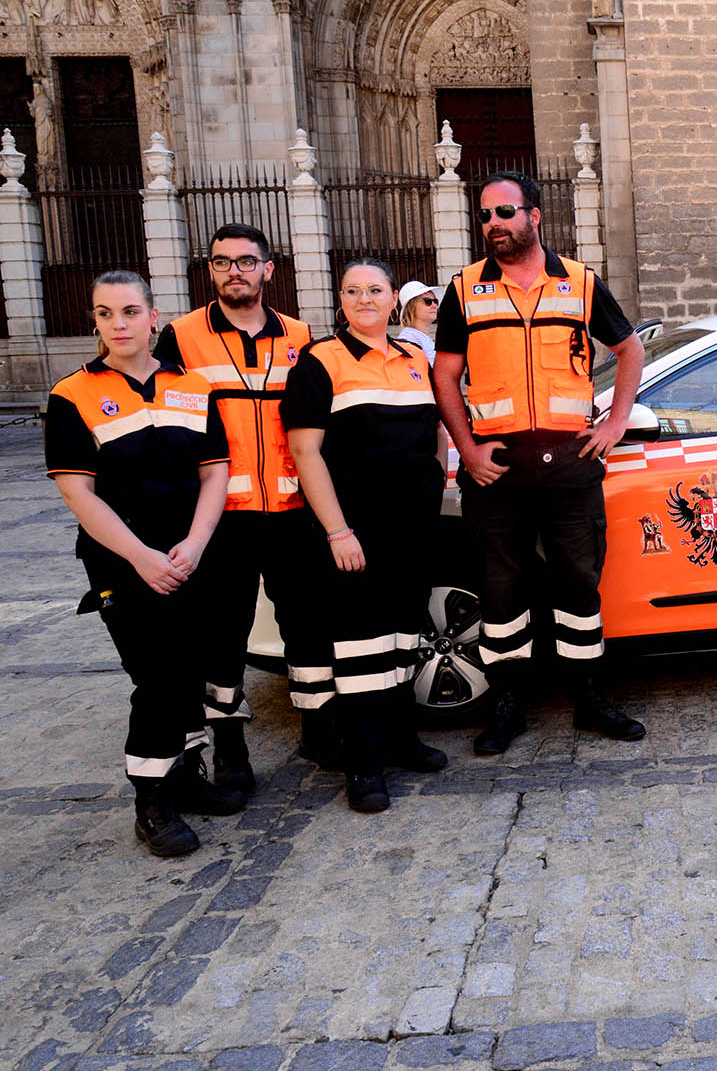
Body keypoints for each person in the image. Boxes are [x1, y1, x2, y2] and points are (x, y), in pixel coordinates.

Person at [433, 170, 647, 753]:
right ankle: (507, 706)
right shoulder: (464, 289)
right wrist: (466, 448)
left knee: (580, 584)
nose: (493, 225)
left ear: (535, 216)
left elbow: (630, 348)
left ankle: (589, 699)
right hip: (498, 469)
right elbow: (445, 374)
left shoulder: (579, 283)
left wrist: (616, 420)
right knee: (500, 594)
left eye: (505, 213)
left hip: (570, 465)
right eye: (485, 216)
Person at [46, 272, 244, 855]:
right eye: (105, 314)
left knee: (193, 670)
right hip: (124, 563)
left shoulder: (192, 386)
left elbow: (214, 472)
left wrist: (198, 542)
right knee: (158, 677)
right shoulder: (72, 394)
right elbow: (80, 494)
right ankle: (151, 802)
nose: (119, 324)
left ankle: (184, 777)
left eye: (130, 311)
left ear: (153, 317)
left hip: (190, 554)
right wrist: (141, 557)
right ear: (96, 321)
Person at [155, 224, 326, 790]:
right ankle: (230, 747)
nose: (235, 271)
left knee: (306, 624)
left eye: (247, 262)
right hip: (221, 517)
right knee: (221, 635)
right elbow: (163, 427)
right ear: (210, 270)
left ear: (268, 270)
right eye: (223, 261)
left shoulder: (300, 334)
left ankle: (320, 730)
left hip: (292, 510)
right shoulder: (180, 338)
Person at [283, 260, 449, 812]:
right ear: (341, 300)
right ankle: (364, 764)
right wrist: (337, 530)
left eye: (375, 290)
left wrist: (432, 488)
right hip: (355, 530)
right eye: (353, 291)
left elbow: (436, 433)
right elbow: (305, 453)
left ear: (394, 297)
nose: (365, 300)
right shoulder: (320, 360)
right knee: (360, 647)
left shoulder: (411, 358)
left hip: (413, 527)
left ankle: (402, 739)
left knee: (405, 636)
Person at [395, 280, 440, 362]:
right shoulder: (408, 339)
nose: (434, 305)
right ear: (412, 306)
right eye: (428, 301)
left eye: (435, 301)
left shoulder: (418, 337)